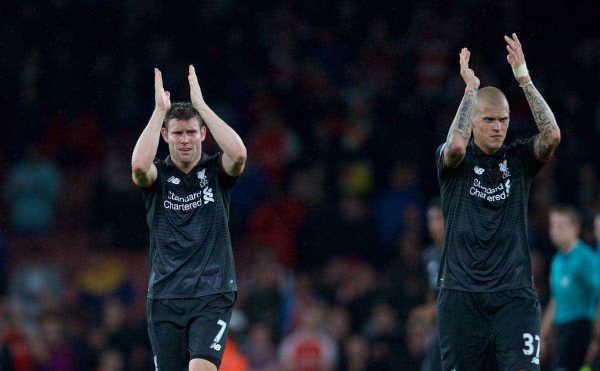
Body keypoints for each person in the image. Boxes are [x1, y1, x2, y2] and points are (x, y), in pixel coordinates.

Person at [435, 33, 561, 370]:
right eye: (489, 120)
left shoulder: (518, 159)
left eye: (503, 120)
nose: (498, 127)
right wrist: (470, 92)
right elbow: (458, 146)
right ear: (473, 121)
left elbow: (551, 136)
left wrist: (524, 78)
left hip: (513, 297)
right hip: (461, 297)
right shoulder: (454, 164)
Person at [131, 65, 247, 371]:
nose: (185, 140)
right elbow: (139, 167)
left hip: (213, 291)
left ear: (202, 134)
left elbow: (238, 155)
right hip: (166, 296)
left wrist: (202, 107)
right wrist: (159, 112)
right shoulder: (158, 176)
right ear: (166, 135)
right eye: (178, 133)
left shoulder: (215, 173)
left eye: (192, 132)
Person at [540, 205, 596, 371]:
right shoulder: (556, 260)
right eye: (553, 225)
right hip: (562, 331)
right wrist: (542, 335)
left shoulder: (586, 258)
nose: (555, 231)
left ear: (575, 228)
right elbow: (555, 298)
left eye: (561, 226)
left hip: (581, 328)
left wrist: (596, 338)